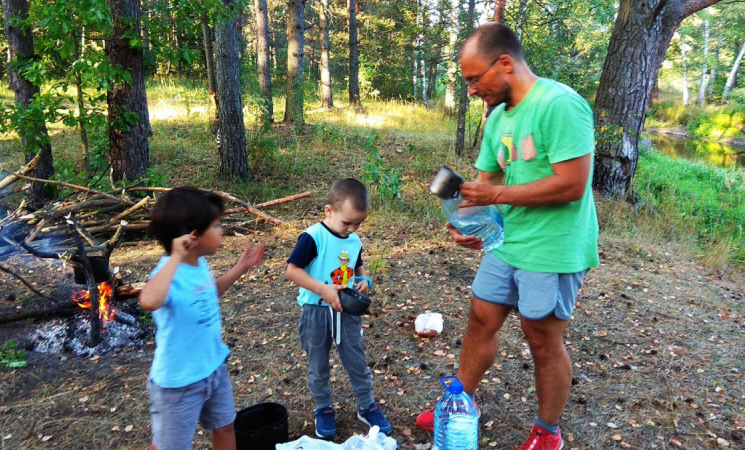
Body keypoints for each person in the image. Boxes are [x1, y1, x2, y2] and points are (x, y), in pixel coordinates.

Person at [416, 23, 600, 450]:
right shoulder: (498, 118)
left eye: (474, 78)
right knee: (481, 319)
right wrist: (471, 225)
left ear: (504, 64)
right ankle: (459, 403)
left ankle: (547, 432)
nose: (471, 90)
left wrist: (494, 194)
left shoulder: (560, 105)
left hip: (553, 247)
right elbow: (487, 182)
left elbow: (572, 185)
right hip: (508, 242)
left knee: (540, 337)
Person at [140, 186, 264, 450]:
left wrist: (241, 268)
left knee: (226, 426)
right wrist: (175, 257)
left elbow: (209, 292)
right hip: (178, 384)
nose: (222, 230)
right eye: (216, 225)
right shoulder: (168, 272)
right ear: (193, 236)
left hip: (213, 368)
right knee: (169, 446)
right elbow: (148, 301)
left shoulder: (199, 264)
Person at [286, 178, 392, 439]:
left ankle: (366, 405)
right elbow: (292, 270)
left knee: (356, 360)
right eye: (347, 223)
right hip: (316, 312)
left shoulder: (353, 240)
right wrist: (322, 289)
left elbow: (357, 267)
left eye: (358, 224)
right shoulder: (313, 238)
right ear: (329, 211)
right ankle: (323, 409)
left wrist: (364, 281)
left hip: (346, 311)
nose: (352, 229)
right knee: (318, 364)